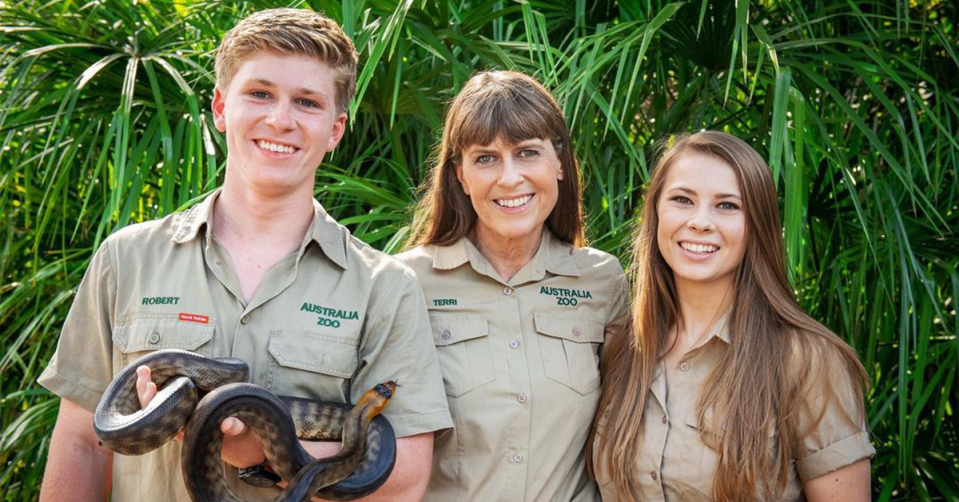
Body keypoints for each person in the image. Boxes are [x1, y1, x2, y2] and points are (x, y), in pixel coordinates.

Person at [37, 8, 451, 502]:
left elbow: (401, 480)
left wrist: (262, 451)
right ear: (219, 107)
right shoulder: (128, 258)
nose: (280, 119)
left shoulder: (384, 286)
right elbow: (84, 443)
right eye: (259, 93)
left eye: (307, 102)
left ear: (335, 130)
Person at [589, 131, 874, 502]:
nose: (700, 221)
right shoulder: (619, 347)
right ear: (656, 212)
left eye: (727, 206)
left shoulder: (807, 361)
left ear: (756, 225)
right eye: (682, 200)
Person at [397, 71, 630, 502]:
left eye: (527, 153)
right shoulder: (405, 283)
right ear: (461, 175)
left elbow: (625, 429)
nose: (509, 178)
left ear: (558, 162)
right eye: (485, 158)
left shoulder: (603, 281)